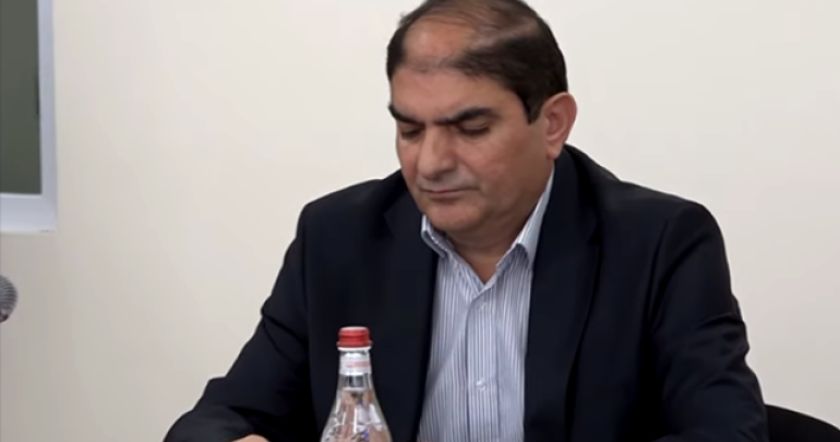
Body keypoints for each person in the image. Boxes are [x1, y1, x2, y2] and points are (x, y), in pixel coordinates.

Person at [166, 0, 768, 441]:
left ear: (552, 123)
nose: (431, 162)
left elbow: (726, 433)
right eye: (410, 130)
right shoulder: (338, 239)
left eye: (470, 129)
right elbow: (218, 419)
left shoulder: (660, 243)